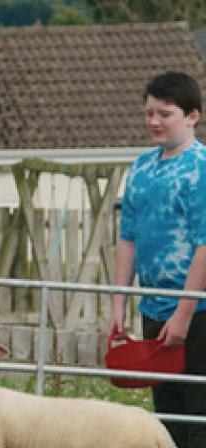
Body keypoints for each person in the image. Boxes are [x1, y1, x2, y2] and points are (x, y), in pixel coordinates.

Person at [108, 71, 206, 448]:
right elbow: (128, 238)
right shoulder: (141, 168)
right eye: (149, 113)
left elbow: (204, 245)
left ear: (192, 116)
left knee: (199, 415)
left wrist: (183, 313)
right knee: (167, 417)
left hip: (198, 313)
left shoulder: (201, 168)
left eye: (165, 114)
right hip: (154, 309)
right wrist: (119, 302)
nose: (154, 121)